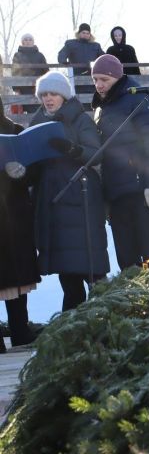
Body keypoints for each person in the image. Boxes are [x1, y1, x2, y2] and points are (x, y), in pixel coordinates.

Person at [25, 72, 110, 311]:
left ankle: (105, 315)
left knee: (92, 268)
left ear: (63, 95)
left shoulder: (80, 120)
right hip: (52, 201)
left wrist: (71, 149)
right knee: (67, 270)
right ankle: (73, 319)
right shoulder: (38, 121)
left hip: (80, 196)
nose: (48, 99)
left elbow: (96, 153)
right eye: (44, 95)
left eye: (53, 94)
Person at [91, 54, 149, 270]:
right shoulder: (102, 107)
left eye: (103, 79)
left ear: (117, 77)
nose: (98, 85)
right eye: (95, 79)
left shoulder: (139, 98)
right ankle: (135, 304)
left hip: (142, 191)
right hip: (117, 194)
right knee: (127, 261)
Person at [1, 96, 40, 352]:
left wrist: (21, 171)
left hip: (14, 214)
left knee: (16, 276)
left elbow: (34, 172)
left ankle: (20, 330)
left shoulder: (16, 132)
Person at [57, 23, 104, 96]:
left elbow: (104, 57)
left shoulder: (95, 46)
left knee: (92, 97)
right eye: (83, 32)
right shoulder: (71, 44)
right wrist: (63, 61)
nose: (85, 35)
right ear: (79, 33)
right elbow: (62, 54)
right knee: (78, 97)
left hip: (91, 77)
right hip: (76, 76)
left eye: (88, 33)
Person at [11, 33, 49, 114]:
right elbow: (14, 72)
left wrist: (46, 87)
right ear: (22, 42)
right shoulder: (17, 55)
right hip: (23, 89)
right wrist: (16, 89)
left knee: (38, 112)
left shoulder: (40, 55)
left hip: (38, 88)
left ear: (33, 42)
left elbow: (46, 71)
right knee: (21, 115)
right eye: (26, 39)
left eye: (30, 39)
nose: (28, 41)